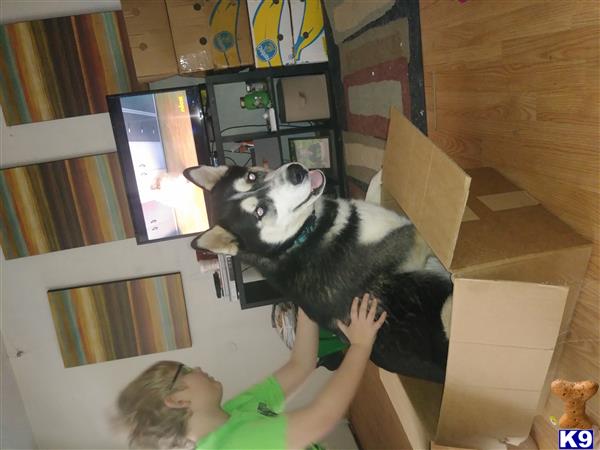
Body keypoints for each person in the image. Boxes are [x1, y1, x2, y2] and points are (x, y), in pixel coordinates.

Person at [115, 294, 387, 449]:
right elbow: (321, 418)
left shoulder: (232, 411)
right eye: (185, 371)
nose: (197, 368)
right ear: (177, 400)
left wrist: (307, 302)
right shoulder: (236, 444)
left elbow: (300, 365)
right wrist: (360, 345)